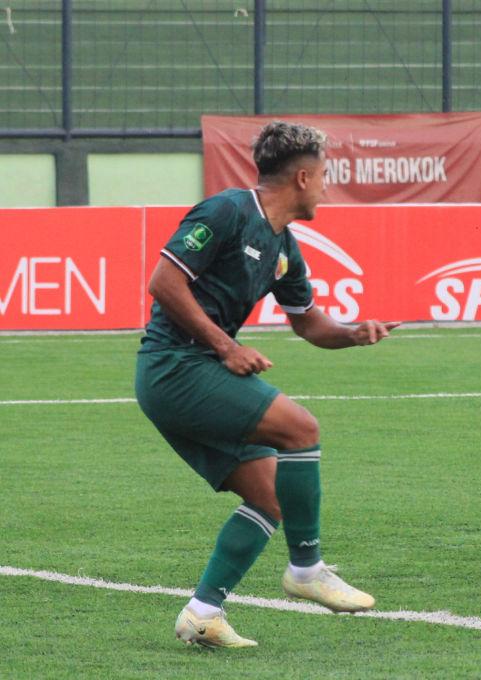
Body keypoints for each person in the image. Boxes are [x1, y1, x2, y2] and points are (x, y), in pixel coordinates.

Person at [135, 121, 399, 648]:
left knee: (272, 496)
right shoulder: (228, 211)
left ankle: (203, 613)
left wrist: (353, 334)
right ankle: (307, 569)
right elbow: (164, 282)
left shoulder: (283, 245)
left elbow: (308, 323)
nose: (327, 186)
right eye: (324, 176)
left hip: (192, 369)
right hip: (173, 366)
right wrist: (226, 347)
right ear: (302, 177)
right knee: (301, 428)